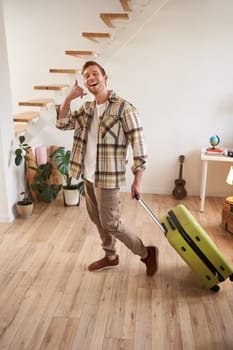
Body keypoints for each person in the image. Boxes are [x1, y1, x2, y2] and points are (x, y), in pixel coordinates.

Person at [56, 61, 159, 275]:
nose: (90, 78)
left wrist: (137, 180)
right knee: (97, 219)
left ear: (105, 78)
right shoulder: (86, 109)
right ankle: (111, 256)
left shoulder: (124, 108)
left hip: (109, 178)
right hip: (89, 175)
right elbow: (62, 123)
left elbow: (139, 146)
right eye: (86, 76)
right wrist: (68, 98)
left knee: (110, 222)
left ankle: (146, 253)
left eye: (94, 74)